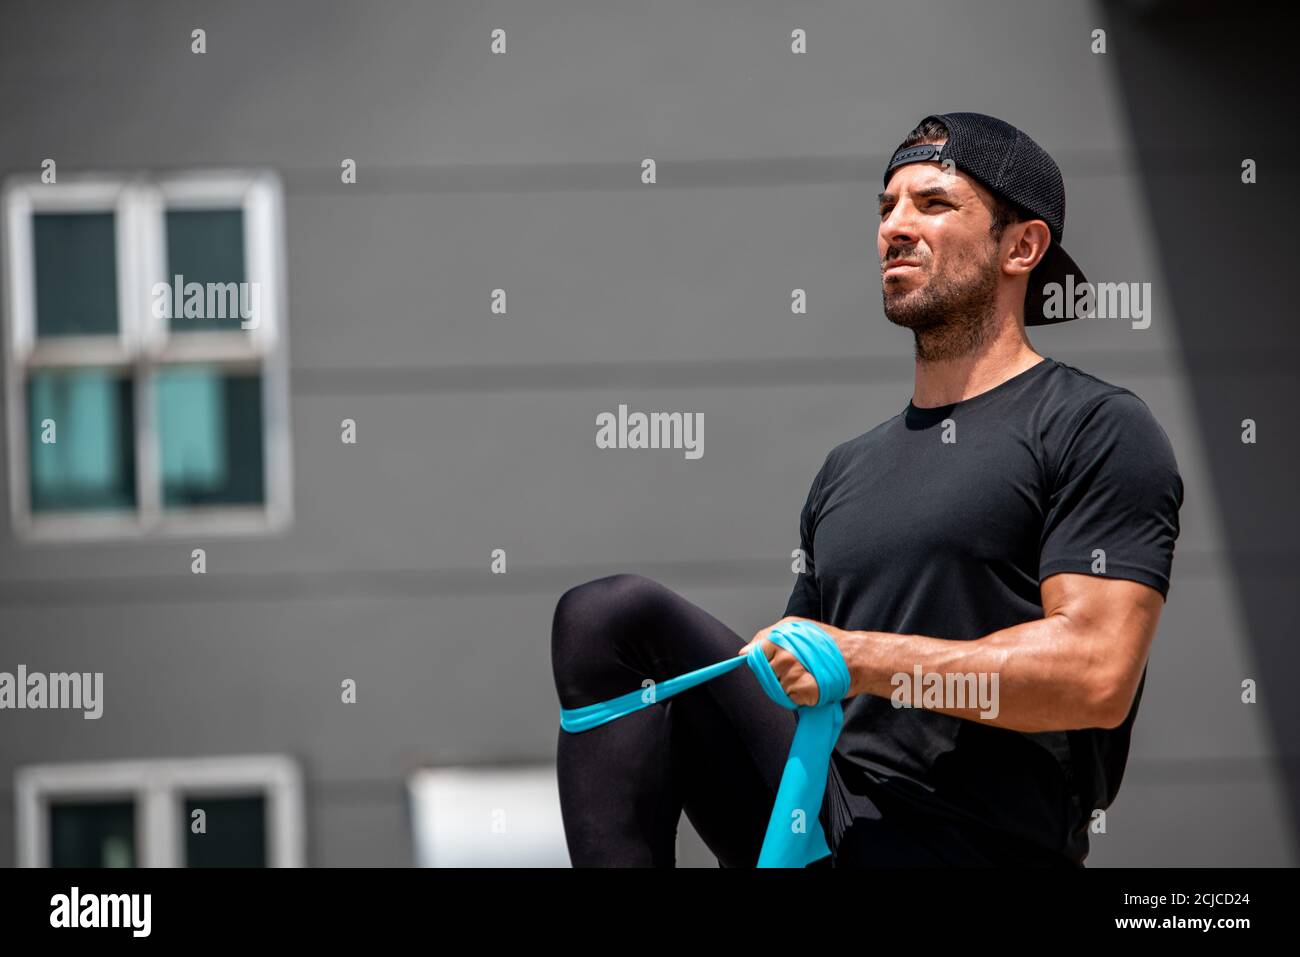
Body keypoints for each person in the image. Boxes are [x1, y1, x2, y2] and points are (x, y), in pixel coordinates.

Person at [551, 112, 1183, 867]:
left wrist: (861, 656)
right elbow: (813, 683)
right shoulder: (847, 469)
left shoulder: (1094, 425)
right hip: (827, 822)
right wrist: (789, 664)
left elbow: (1095, 673)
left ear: (1023, 246)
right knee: (607, 619)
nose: (896, 227)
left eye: (933, 204)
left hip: (972, 842)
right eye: (886, 208)